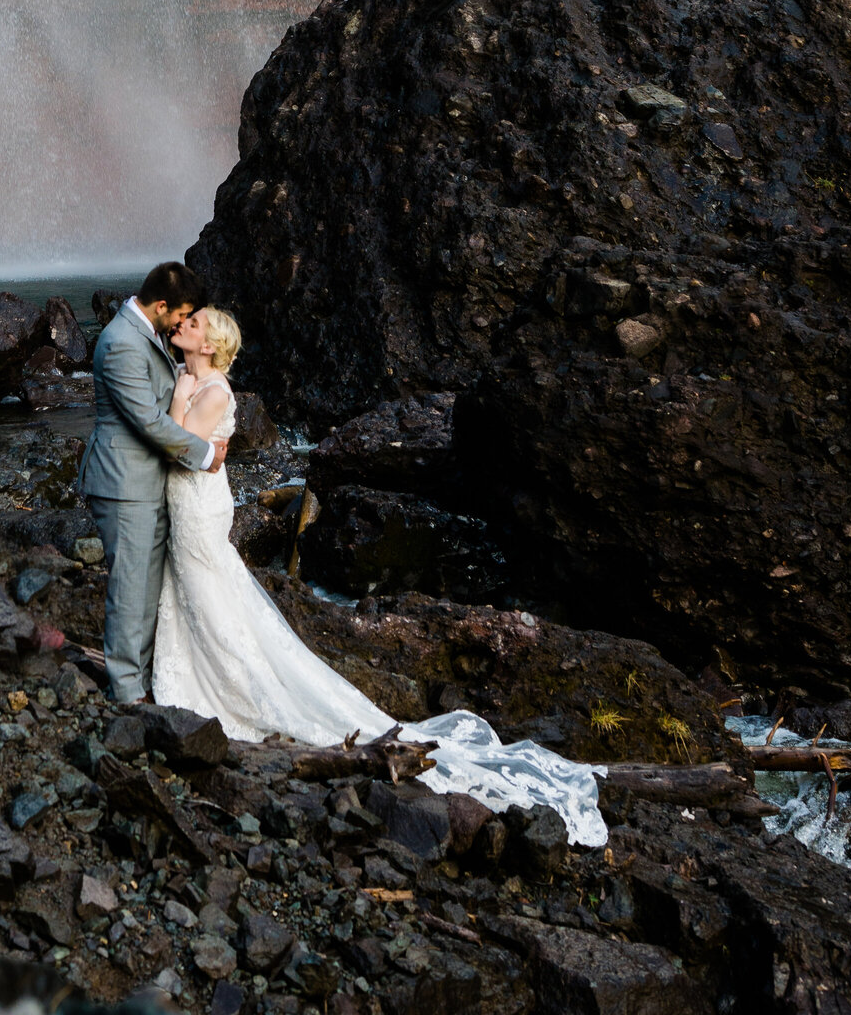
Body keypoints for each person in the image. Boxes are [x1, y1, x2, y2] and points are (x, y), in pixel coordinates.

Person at [149, 304, 607, 847]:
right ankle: (191, 679)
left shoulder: (214, 391)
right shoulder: (188, 374)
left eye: (195, 324)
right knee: (200, 594)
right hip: (187, 505)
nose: (185, 326)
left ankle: (234, 694)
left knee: (210, 593)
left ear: (211, 343)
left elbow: (180, 450)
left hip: (199, 508)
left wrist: (178, 401)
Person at [77, 262, 229, 705]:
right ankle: (126, 691)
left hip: (148, 480)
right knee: (130, 586)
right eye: (181, 314)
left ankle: (139, 680)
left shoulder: (147, 331)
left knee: (146, 586)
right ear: (161, 306)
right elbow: (146, 421)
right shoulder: (122, 341)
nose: (183, 322)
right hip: (124, 481)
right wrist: (204, 454)